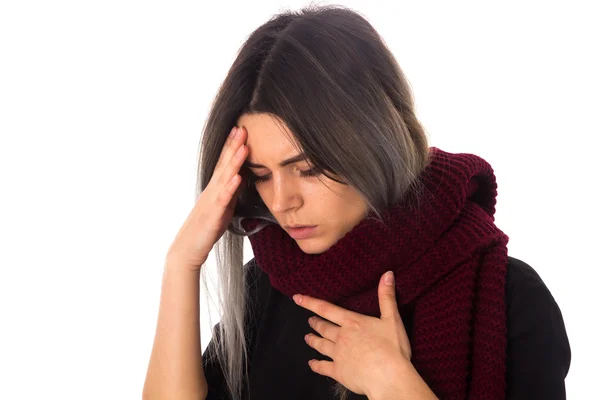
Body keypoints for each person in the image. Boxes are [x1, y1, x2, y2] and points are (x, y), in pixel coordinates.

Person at [142, 5, 571, 400]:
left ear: (371, 143)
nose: (281, 201)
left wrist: (396, 385)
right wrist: (181, 263)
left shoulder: (508, 298)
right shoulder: (268, 288)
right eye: (260, 176)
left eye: (307, 169)